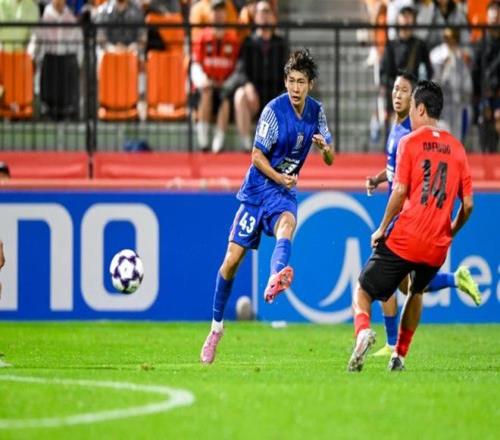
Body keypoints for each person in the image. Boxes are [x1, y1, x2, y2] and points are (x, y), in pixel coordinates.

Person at [200, 48, 334, 364]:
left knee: (288, 224)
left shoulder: (317, 112)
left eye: (301, 82)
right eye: (291, 81)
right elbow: (256, 156)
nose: (296, 88)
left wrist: (325, 149)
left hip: (282, 194)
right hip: (258, 190)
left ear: (310, 84)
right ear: (285, 81)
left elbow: (330, 158)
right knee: (231, 261)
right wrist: (280, 177)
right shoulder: (273, 111)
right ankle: (216, 329)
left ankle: (276, 276)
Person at [349, 80, 474, 372]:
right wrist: (451, 231)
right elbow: (468, 205)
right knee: (416, 290)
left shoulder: (409, 142)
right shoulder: (458, 149)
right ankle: (399, 356)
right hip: (437, 247)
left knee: (362, 290)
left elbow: (400, 191)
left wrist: (382, 228)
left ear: (420, 109)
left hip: (406, 238)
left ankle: (363, 331)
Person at [230, 0, 288, 151]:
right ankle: (247, 145)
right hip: (254, 96)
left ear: (273, 17)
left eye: (267, 12)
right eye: (261, 12)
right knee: (240, 95)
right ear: (255, 17)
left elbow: (289, 72)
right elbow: (240, 71)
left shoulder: (281, 43)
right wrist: (248, 85)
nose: (265, 16)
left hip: (275, 95)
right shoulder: (248, 42)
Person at [191, 0, 240, 153]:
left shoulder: (233, 39)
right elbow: (195, 64)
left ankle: (218, 142)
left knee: (225, 99)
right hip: (205, 86)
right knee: (206, 93)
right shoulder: (201, 37)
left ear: (226, 14)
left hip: (224, 85)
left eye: (221, 11)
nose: (218, 15)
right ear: (210, 14)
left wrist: (227, 84)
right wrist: (203, 81)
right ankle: (203, 141)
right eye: (215, 11)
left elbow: (237, 68)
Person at [472, 0, 500, 153]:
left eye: (497, 17)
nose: (495, 20)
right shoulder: (481, 43)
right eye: (492, 17)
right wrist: (482, 97)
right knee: (483, 122)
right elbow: (476, 73)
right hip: (485, 96)